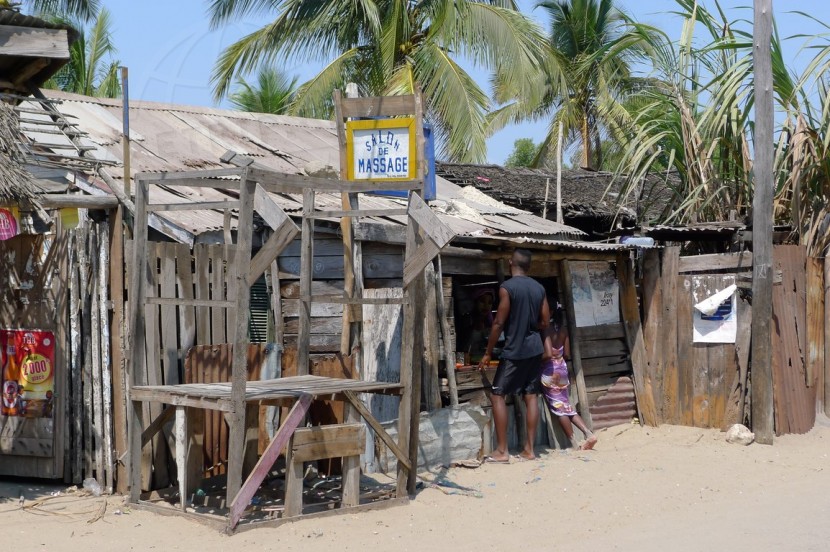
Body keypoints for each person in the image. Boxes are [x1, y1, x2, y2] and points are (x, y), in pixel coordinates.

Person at [478, 249, 549, 463]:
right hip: (534, 349)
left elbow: (498, 322)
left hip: (515, 350)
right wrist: (530, 327)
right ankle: (529, 449)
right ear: (528, 266)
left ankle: (502, 450)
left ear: (511, 263)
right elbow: (545, 322)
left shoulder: (507, 288)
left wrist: (488, 352)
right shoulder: (539, 288)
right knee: (531, 395)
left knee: (498, 394)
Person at [541, 304, 597, 450]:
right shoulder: (563, 330)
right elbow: (566, 354)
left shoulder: (546, 330)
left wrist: (534, 359)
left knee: (559, 409)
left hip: (550, 372)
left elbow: (547, 355)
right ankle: (588, 433)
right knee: (567, 407)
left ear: (550, 311)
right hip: (563, 370)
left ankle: (573, 443)